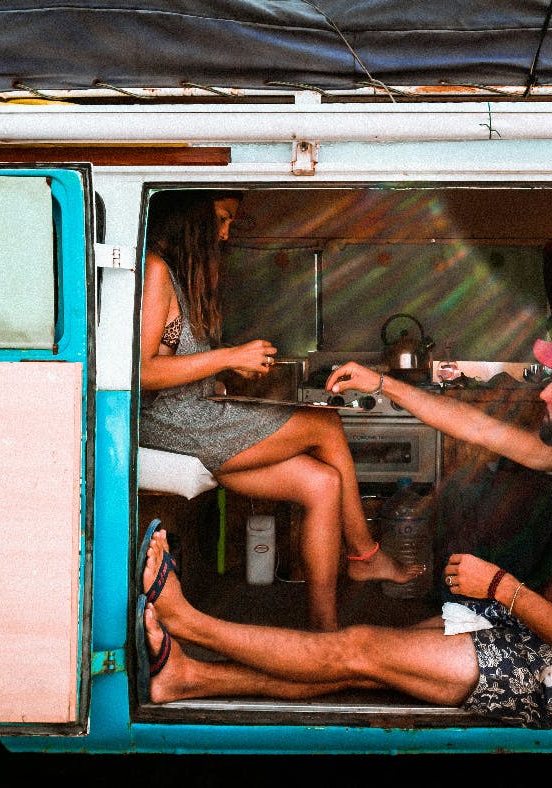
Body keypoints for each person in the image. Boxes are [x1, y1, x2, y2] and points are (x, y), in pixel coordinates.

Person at [137, 332, 552, 728]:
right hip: (533, 634)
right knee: (370, 666)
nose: (543, 396)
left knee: (360, 648)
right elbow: (476, 427)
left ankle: (189, 623)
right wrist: (383, 383)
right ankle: (191, 678)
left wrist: (502, 589)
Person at [138, 190, 418, 631]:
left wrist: (221, 374)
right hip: (170, 426)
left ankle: (323, 633)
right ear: (192, 215)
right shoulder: (155, 270)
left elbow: (174, 362)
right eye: (223, 218)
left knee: (323, 483)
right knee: (325, 423)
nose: (226, 234)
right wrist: (227, 357)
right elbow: (141, 371)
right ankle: (364, 554)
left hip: (194, 417)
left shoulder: (179, 276)